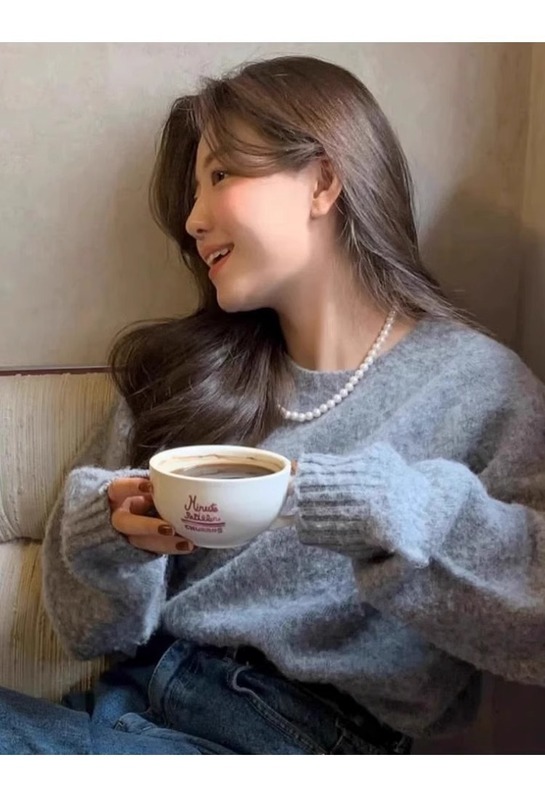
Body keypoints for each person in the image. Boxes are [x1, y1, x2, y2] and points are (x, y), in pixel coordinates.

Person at [2, 54, 545, 756]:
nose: (193, 221)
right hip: (123, 711)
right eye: (191, 194)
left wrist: (391, 506)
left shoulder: (477, 388)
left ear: (322, 181)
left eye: (220, 176)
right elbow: (88, 631)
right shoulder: (192, 378)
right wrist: (106, 533)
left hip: (295, 741)